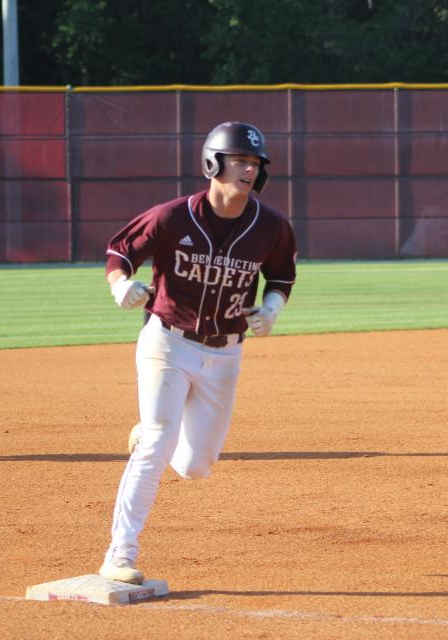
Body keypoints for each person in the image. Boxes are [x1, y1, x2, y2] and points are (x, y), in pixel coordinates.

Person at [98, 122, 297, 584]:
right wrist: (120, 285)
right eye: (239, 161)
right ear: (213, 164)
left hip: (224, 355)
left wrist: (271, 308)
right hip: (167, 340)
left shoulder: (270, 226)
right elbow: (120, 252)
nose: (248, 169)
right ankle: (119, 554)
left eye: (254, 163)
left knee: (195, 466)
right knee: (157, 442)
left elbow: (282, 277)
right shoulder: (173, 217)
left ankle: (150, 428)